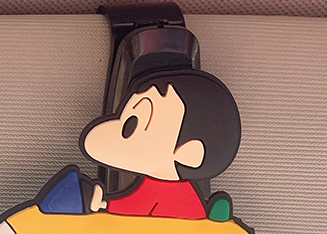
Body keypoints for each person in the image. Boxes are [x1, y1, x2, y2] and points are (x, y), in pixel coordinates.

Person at [79, 70, 240, 219]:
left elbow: (136, 206)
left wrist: (104, 205)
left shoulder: (170, 191)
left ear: (189, 154)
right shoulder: (160, 185)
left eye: (131, 126)